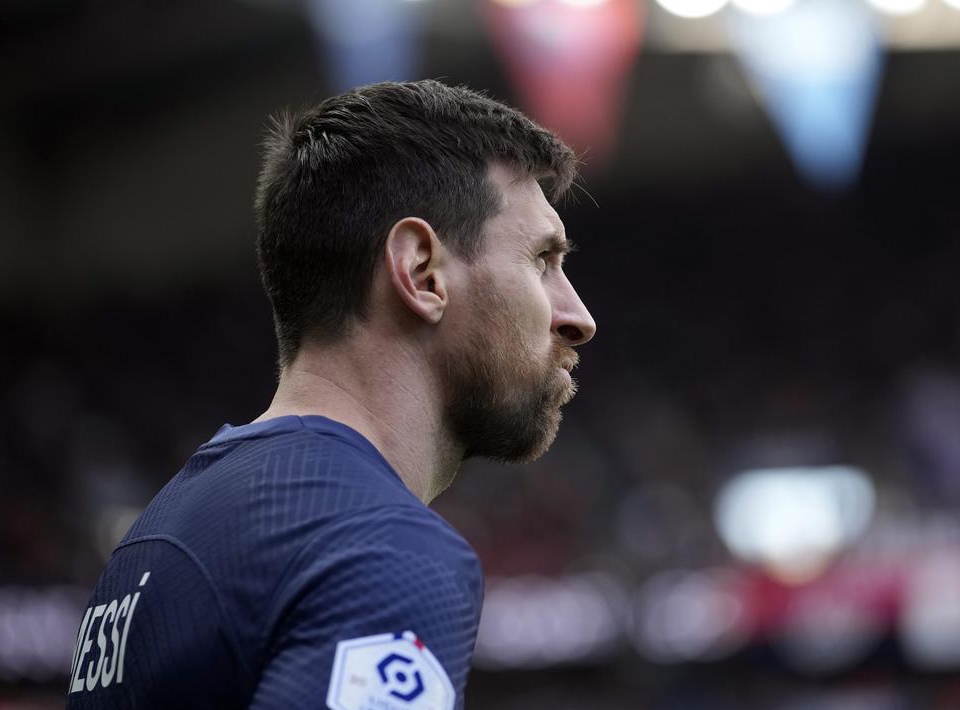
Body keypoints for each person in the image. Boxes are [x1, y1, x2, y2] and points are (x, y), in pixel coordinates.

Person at [65, 80, 596, 710]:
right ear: (422, 272)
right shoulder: (381, 552)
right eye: (541, 260)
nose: (578, 315)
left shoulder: (157, 535)